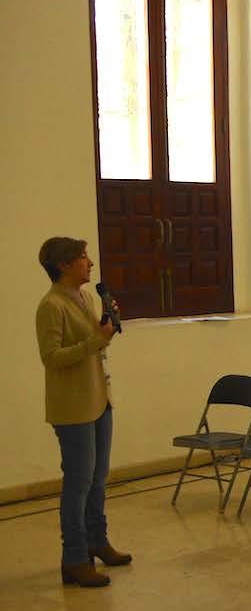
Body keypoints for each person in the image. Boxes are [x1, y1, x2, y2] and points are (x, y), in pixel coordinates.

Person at [35, 236, 131, 588]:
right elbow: (51, 358)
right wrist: (96, 339)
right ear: (63, 265)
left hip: (99, 398)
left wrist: (106, 327)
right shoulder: (51, 305)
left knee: (98, 478)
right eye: (82, 257)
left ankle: (96, 541)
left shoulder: (87, 297)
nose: (89, 263)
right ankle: (74, 558)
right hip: (72, 405)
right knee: (78, 483)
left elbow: (94, 344)